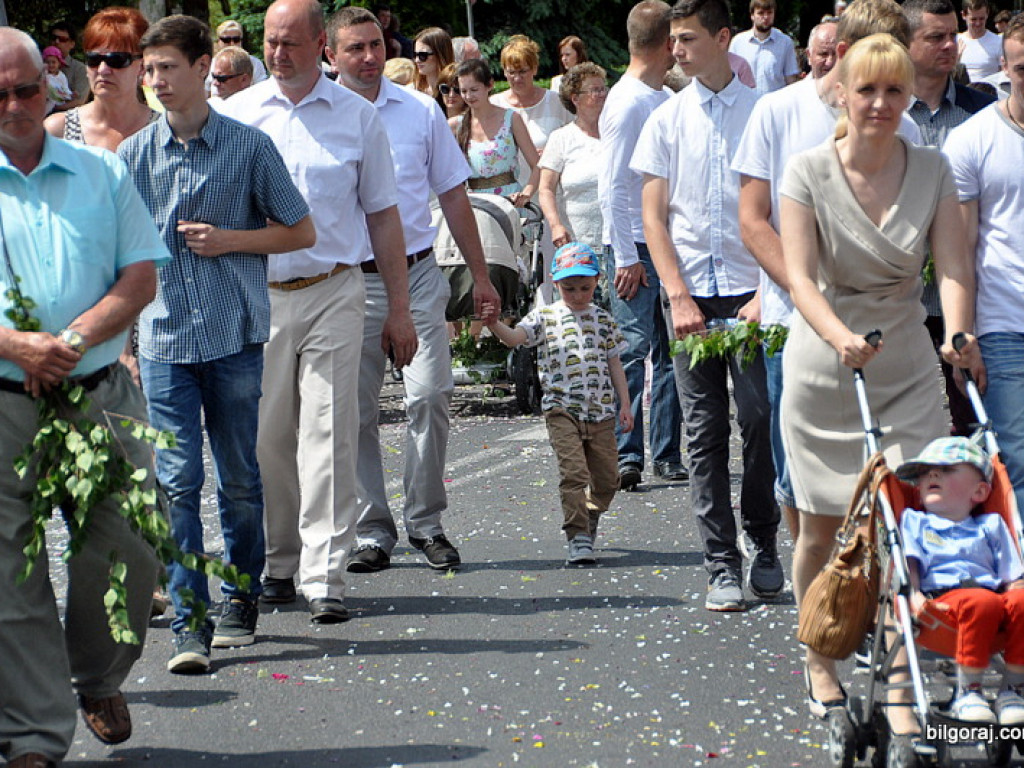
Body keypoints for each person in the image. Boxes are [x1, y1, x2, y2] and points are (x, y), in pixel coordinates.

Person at [778, 32, 981, 721]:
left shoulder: (932, 169)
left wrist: (957, 332)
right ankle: (819, 662)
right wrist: (837, 336)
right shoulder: (806, 170)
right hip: (825, 368)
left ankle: (899, 684)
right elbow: (799, 277)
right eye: (867, 89)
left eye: (895, 90)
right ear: (839, 90)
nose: (881, 103)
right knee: (821, 528)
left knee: (910, 529)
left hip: (906, 370)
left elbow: (953, 266)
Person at [119, 14, 314, 674]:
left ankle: (241, 597)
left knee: (237, 481)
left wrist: (233, 240)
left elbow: (301, 231)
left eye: (167, 67)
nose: (156, 81)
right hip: (163, 341)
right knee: (176, 482)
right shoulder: (133, 157)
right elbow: (120, 258)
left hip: (234, 336)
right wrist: (122, 337)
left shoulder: (248, 146)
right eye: (149, 71)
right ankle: (188, 621)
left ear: (204, 66)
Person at [0, 27, 168, 767]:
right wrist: (19, 347)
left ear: (51, 87)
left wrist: (64, 342)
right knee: (12, 573)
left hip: (99, 390)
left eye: (26, 89)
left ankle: (98, 674)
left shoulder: (101, 173)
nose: (13, 105)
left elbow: (139, 276)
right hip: (5, 401)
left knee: (129, 547)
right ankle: (34, 737)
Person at [219, 0, 415, 624]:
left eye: (290, 43)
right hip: (261, 295)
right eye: (269, 42)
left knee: (328, 431)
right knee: (268, 437)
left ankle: (323, 575)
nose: (277, 54)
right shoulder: (238, 114)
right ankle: (280, 562)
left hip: (335, 286)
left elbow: (384, 216)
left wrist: (400, 310)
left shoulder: (358, 118)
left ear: (320, 47)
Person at [733, 0, 923, 545]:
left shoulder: (904, 125)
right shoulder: (778, 112)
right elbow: (752, 220)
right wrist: (813, 297)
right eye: (873, 68)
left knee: (879, 461)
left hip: (881, 328)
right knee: (802, 475)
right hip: (796, 323)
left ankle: (868, 586)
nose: (887, 91)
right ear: (841, 54)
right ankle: (815, 588)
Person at [325, 6, 499, 574]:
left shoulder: (420, 110)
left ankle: (426, 522)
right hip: (348, 282)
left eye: (376, 44)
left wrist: (480, 274)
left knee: (429, 395)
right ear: (332, 55)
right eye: (355, 48)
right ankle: (374, 529)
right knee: (355, 415)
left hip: (419, 276)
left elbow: (453, 194)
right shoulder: (322, 116)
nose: (370, 57)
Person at [634, 0, 779, 611]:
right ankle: (720, 563)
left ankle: (765, 543)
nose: (677, 51)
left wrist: (770, 293)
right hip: (688, 292)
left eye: (688, 39)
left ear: (724, 38)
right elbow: (652, 215)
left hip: (752, 292)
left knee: (760, 419)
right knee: (703, 431)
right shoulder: (667, 119)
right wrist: (676, 294)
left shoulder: (764, 116)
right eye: (672, 40)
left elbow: (786, 214)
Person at [487, 243, 632, 564]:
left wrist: (625, 404)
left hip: (602, 412)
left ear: (597, 282)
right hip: (561, 409)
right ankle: (578, 535)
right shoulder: (546, 316)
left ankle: (591, 513)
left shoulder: (604, 320)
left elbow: (615, 365)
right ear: (555, 284)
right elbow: (514, 339)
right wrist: (493, 323)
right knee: (574, 474)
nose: (578, 294)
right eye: (569, 288)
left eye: (585, 287)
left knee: (609, 480)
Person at [599, 0, 687, 491]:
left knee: (673, 352)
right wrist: (627, 256)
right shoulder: (629, 101)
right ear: (666, 42)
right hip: (635, 242)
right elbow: (612, 184)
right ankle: (628, 453)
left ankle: (667, 451)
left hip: (664, 241)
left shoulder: (659, 96)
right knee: (633, 351)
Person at [944, 14, 1024, 515]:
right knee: (1014, 459)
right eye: (1023, 66)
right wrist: (964, 333)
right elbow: (960, 249)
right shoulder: (973, 140)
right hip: (1003, 324)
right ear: (1003, 67)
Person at [904, 0, 995, 439]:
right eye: (934, 37)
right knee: (906, 423)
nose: (949, 45)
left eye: (952, 35)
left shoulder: (983, 110)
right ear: (907, 44)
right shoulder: (889, 115)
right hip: (905, 295)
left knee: (975, 418)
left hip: (967, 288)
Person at [896, 437, 1024, 726]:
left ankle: (1013, 688)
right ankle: (969, 690)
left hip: (991, 597)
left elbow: (1011, 576)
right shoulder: (916, 521)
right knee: (981, 601)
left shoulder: (990, 524)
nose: (932, 474)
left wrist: (1016, 594)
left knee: (1018, 600)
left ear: (979, 491)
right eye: (925, 471)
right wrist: (913, 594)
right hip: (941, 604)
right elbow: (910, 563)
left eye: (947, 468)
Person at [453, 58, 541, 205]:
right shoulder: (456, 125)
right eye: (463, 91)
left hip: (509, 203)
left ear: (490, 85)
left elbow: (537, 165)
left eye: (474, 90)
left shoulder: (511, 119)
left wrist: (526, 194)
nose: (468, 96)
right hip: (475, 205)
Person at [539, 62, 607, 253]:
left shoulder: (617, 135)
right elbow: (545, 189)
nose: (602, 94)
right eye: (595, 90)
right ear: (575, 98)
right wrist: (555, 226)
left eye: (603, 89)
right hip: (577, 245)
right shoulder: (561, 138)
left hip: (619, 244)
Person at [729, 0, 800, 95]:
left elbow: (791, 80)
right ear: (752, 15)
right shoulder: (738, 42)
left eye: (769, 13)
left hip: (775, 106)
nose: (766, 17)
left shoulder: (785, 43)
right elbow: (730, 78)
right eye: (761, 13)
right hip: (746, 105)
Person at [48, 21, 90, 110]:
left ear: (72, 44)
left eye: (62, 39)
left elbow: (80, 101)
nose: (56, 42)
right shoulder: (39, 66)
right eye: (54, 38)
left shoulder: (80, 69)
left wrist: (53, 109)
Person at [212, 20, 268, 84]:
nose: (232, 44)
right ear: (218, 41)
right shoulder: (211, 65)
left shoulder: (255, 63)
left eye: (236, 39)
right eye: (226, 40)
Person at [959, 0, 1003, 81]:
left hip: (988, 92)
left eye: (981, 19)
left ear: (987, 14)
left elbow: (1004, 75)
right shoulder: (956, 41)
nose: (978, 23)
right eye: (973, 19)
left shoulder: (998, 42)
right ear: (964, 15)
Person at [412, 27, 453, 99]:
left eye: (423, 55)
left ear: (440, 55)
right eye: (415, 55)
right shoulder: (411, 91)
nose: (417, 60)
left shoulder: (456, 90)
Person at [41, 46, 73, 113]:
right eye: (48, 62)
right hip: (46, 97)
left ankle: (43, 115)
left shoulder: (61, 76)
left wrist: (69, 94)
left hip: (58, 98)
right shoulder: (44, 74)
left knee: (53, 101)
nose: (51, 65)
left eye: (53, 62)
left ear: (59, 63)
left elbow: (65, 87)